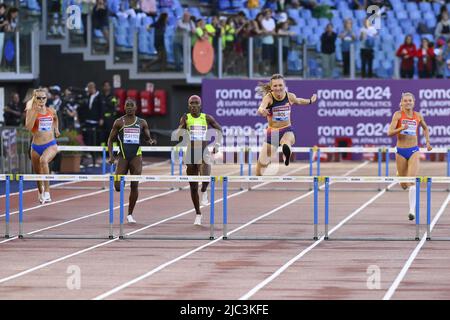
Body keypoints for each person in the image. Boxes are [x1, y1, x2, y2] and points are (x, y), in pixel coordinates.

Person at [256, 74, 317, 176]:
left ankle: (286, 155)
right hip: (273, 133)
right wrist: (262, 111)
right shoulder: (269, 98)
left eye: (280, 85)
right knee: (261, 166)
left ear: (284, 85)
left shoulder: (289, 96)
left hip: (286, 129)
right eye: (275, 86)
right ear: (271, 87)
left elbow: (299, 101)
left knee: (286, 141)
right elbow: (261, 108)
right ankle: (258, 177)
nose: (278, 88)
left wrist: (310, 101)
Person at [107, 98, 156, 224]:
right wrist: (111, 156)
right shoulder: (119, 122)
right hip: (123, 156)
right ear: (124, 107)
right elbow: (110, 140)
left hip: (136, 156)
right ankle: (119, 179)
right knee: (118, 187)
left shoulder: (142, 122)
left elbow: (147, 137)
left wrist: (150, 141)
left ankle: (130, 214)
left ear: (136, 108)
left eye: (131, 105)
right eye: (127, 105)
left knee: (135, 184)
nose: (129, 107)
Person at [176, 95, 223, 226]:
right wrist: (182, 124)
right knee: (192, 187)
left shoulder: (206, 118)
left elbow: (219, 129)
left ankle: (204, 191)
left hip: (204, 152)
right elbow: (178, 135)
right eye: (191, 103)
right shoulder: (186, 118)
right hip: (190, 154)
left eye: (196, 103)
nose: (194, 105)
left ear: (200, 105)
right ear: (188, 105)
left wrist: (217, 145)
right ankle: (198, 213)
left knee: (206, 178)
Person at [387, 92, 432, 221]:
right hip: (401, 151)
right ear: (401, 102)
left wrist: (427, 142)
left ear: (414, 102)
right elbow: (389, 132)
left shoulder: (418, 115)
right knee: (404, 185)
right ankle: (400, 176)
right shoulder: (397, 115)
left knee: (411, 181)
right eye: (405, 101)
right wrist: (401, 128)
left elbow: (425, 128)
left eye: (410, 101)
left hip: (414, 150)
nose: (408, 102)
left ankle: (412, 211)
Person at [24, 88, 60, 204]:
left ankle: (48, 193)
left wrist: (56, 129)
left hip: (50, 144)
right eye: (38, 98)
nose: (41, 100)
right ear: (35, 99)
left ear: (46, 98)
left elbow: (55, 118)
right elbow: (28, 127)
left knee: (43, 161)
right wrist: (35, 112)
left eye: (43, 97)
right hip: (36, 146)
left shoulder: (51, 110)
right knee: (38, 173)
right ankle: (40, 191)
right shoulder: (30, 111)